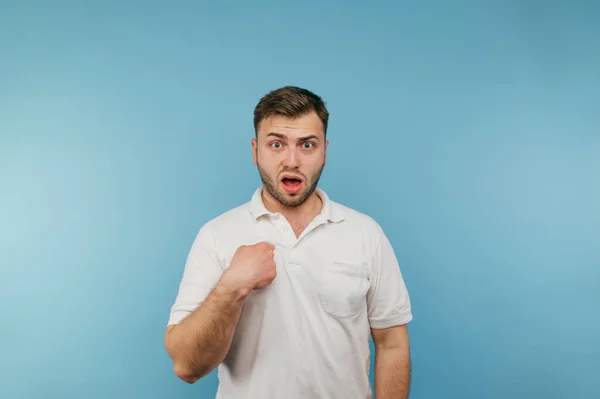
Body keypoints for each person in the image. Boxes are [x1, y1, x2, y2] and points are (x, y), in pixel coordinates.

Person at [164, 86, 413, 399]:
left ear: (325, 151)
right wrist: (232, 287)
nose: (291, 160)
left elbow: (391, 343)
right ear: (255, 151)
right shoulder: (216, 236)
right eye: (276, 144)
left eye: (307, 145)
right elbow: (187, 366)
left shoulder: (365, 234)